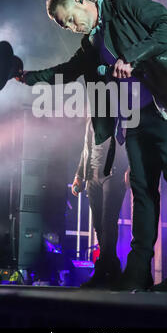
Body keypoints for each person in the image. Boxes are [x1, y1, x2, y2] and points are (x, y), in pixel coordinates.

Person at [16, 0, 167, 293]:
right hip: (135, 118)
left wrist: (132, 56)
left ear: (79, 1)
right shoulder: (90, 43)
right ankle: (138, 272)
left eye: (71, 19)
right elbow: (66, 71)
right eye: (66, 26)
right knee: (142, 192)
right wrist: (26, 77)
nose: (73, 27)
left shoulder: (124, 6)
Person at [71, 117, 126, 289]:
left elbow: (131, 141)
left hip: (113, 174)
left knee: (108, 223)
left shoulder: (122, 114)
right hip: (92, 176)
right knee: (99, 226)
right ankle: (114, 269)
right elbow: (86, 148)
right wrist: (79, 175)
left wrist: (130, 167)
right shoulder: (91, 119)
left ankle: (102, 271)